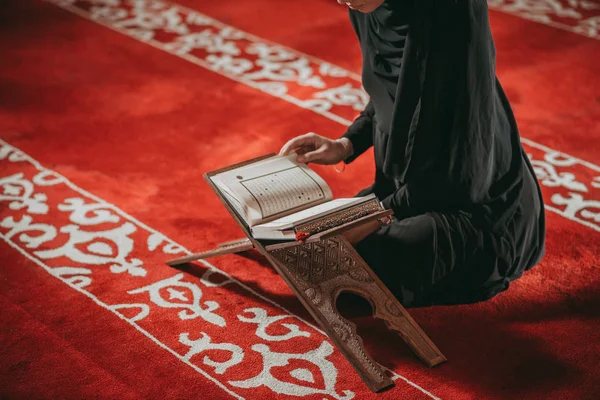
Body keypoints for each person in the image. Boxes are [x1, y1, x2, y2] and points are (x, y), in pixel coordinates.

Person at [279, 0, 546, 308]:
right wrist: (346, 144)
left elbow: (458, 179)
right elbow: (395, 91)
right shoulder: (368, 6)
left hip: (471, 205)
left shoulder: (451, 14)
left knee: (354, 266)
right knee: (315, 248)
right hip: (404, 189)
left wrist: (377, 216)